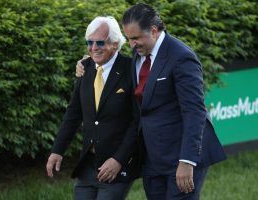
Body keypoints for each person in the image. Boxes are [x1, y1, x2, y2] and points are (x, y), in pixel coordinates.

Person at [76, 3, 227, 200]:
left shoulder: (181, 57)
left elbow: (195, 112)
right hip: (152, 158)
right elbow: (116, 69)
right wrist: (88, 62)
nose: (131, 44)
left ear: (154, 31)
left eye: (136, 38)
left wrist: (187, 160)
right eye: (129, 39)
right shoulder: (138, 54)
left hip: (180, 156)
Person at [46, 16, 140, 200]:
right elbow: (73, 114)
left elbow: (137, 122)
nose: (93, 47)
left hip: (116, 166)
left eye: (99, 42)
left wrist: (119, 159)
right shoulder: (85, 67)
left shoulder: (131, 69)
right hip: (87, 164)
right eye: (89, 42)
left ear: (115, 43)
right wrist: (57, 150)